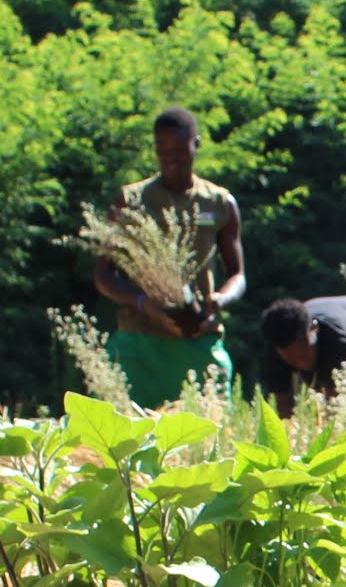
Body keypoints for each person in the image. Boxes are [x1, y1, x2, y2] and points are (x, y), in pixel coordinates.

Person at [95, 106, 245, 406]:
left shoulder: (219, 202)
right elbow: (103, 274)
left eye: (179, 147)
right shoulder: (131, 201)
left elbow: (237, 274)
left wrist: (220, 300)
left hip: (198, 338)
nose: (171, 156)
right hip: (140, 343)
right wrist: (142, 302)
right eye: (162, 148)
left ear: (196, 144)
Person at [257, 294, 346, 419]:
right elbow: (282, 409)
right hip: (336, 314)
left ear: (314, 329)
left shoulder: (341, 342)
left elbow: (336, 411)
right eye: (291, 359)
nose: (300, 363)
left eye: (304, 355)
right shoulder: (275, 348)